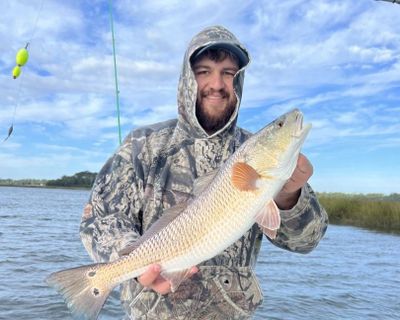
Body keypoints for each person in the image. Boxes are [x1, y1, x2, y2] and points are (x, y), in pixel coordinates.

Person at [80, 25, 328, 320]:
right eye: (204, 71)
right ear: (187, 78)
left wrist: (289, 194)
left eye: (228, 73)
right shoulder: (143, 145)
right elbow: (100, 217)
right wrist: (131, 262)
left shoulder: (255, 155)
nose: (217, 83)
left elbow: (307, 241)